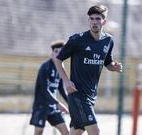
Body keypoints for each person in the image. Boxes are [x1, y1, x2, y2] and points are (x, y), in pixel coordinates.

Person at [54, 4, 123, 135]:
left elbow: (107, 63)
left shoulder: (108, 41)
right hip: (77, 94)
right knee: (95, 131)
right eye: (91, 19)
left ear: (104, 21)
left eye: (97, 19)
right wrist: (66, 81)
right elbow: (58, 59)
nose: (94, 22)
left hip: (91, 95)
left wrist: (114, 67)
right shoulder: (77, 39)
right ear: (88, 21)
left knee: (77, 131)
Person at [30, 40, 69, 135]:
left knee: (66, 132)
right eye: (56, 51)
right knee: (38, 132)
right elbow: (44, 89)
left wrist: (71, 103)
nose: (57, 54)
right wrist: (58, 103)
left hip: (53, 107)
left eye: (60, 52)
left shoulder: (61, 67)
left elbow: (61, 89)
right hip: (41, 106)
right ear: (52, 53)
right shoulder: (45, 67)